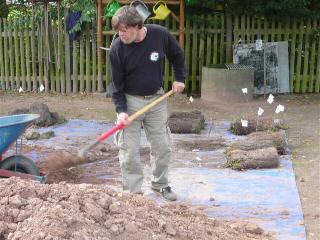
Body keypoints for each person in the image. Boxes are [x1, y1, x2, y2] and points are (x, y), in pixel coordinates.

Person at [109, 5, 187, 201]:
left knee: (163, 147)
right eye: (119, 30)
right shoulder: (117, 48)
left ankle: (160, 184)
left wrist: (180, 78)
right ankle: (133, 193)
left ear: (138, 26)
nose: (121, 35)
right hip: (130, 101)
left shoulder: (159, 35)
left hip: (156, 100)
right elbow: (116, 85)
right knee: (129, 151)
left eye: (125, 30)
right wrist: (121, 111)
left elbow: (177, 56)